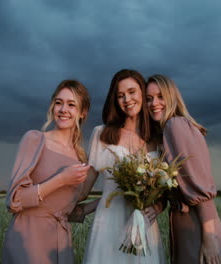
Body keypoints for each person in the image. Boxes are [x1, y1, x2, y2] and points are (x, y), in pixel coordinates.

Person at [79, 69, 166, 263]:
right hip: (107, 227)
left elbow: (166, 191)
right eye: (120, 95)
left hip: (144, 229)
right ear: (115, 101)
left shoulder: (158, 139)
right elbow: (83, 190)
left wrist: (158, 207)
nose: (127, 99)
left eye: (132, 91)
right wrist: (48, 201)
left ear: (143, 93)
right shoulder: (101, 135)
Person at [2, 80, 93, 264]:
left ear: (82, 112)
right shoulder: (35, 140)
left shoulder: (80, 157)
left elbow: (64, 212)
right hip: (28, 240)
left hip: (61, 245)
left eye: (71, 104)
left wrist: (109, 200)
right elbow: (14, 200)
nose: (63, 109)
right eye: (59, 102)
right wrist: (61, 179)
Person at [144, 74, 221, 264]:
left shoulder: (176, 125)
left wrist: (209, 237)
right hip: (183, 222)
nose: (153, 103)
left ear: (172, 97)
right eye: (148, 99)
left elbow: (199, 183)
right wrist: (157, 205)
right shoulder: (167, 131)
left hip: (196, 222)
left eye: (160, 96)